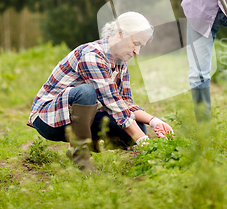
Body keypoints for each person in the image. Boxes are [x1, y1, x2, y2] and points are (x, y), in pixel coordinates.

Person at [27, 12, 173, 171]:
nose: (137, 51)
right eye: (135, 43)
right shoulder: (92, 55)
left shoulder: (120, 63)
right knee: (86, 92)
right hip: (49, 117)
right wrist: (144, 142)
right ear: (120, 33)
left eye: (140, 46)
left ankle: (89, 140)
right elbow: (113, 104)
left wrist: (154, 121)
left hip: (77, 117)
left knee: (138, 127)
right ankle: (80, 157)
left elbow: (124, 102)